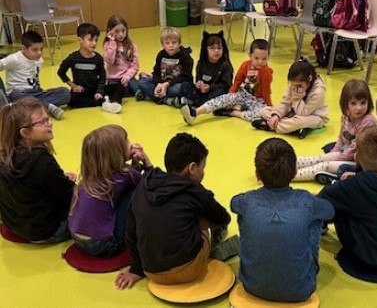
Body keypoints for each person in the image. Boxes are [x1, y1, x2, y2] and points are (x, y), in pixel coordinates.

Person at [115, 133, 235, 289]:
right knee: (203, 214)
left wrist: (137, 269)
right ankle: (212, 249)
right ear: (192, 168)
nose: (203, 172)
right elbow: (223, 218)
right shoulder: (194, 191)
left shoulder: (143, 186)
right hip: (187, 270)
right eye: (202, 168)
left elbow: (131, 232)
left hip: (150, 270)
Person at [230, 138, 334, 303]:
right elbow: (329, 211)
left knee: (244, 214)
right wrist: (311, 201)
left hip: (251, 285)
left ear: (257, 174)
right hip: (301, 290)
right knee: (315, 218)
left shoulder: (248, 200)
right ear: (294, 173)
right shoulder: (306, 200)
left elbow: (233, 203)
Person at [317, 126, 377, 271]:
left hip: (367, 258)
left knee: (338, 203)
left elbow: (323, 199)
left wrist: (342, 184)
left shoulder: (353, 186)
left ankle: (321, 227)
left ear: (356, 158)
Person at [68, 125, 152, 257]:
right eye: (126, 142)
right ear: (116, 152)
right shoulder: (126, 174)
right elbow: (149, 185)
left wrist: (134, 164)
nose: (130, 144)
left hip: (75, 236)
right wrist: (146, 161)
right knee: (133, 191)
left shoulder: (91, 175)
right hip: (103, 246)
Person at [0, 97, 75, 243]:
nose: (50, 124)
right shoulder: (41, 160)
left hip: (15, 225)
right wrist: (70, 185)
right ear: (25, 133)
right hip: (46, 231)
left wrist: (60, 179)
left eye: (48, 119)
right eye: (43, 122)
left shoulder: (5, 155)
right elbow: (68, 196)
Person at [292, 79, 377, 182]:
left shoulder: (368, 122)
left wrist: (336, 158)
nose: (359, 108)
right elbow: (341, 138)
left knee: (323, 166)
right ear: (346, 104)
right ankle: (285, 165)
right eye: (353, 103)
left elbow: (354, 149)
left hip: (360, 162)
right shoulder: (346, 117)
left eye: (363, 103)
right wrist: (334, 152)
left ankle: (287, 177)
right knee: (318, 158)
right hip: (346, 153)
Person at [181, 39, 273, 125]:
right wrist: (231, 95)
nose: (260, 62)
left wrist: (270, 106)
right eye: (256, 58)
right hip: (242, 94)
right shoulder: (245, 65)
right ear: (250, 55)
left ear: (268, 57)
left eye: (264, 59)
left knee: (263, 114)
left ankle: (233, 112)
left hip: (257, 100)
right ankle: (195, 112)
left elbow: (266, 91)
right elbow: (237, 80)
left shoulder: (266, 72)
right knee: (222, 99)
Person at [251, 58, 329, 139]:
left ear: (309, 79)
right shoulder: (294, 83)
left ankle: (269, 125)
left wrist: (297, 97)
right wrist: (276, 116)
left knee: (299, 121)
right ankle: (293, 129)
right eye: (293, 84)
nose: (296, 87)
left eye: (299, 85)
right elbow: (285, 103)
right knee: (264, 111)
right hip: (293, 113)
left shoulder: (318, 91)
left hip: (313, 116)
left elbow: (302, 114)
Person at [0, 30, 70, 119]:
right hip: (19, 93)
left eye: (41, 49)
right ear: (23, 48)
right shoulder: (14, 59)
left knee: (65, 93)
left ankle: (35, 106)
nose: (39, 53)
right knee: (17, 96)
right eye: (35, 50)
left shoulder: (40, 60)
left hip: (36, 92)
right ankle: (47, 106)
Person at [57, 23, 111, 111]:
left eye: (96, 40)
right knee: (71, 100)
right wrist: (74, 86)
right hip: (81, 92)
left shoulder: (98, 58)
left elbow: (102, 76)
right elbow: (61, 72)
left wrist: (99, 91)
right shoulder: (73, 58)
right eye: (90, 40)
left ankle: (104, 100)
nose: (94, 43)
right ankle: (100, 102)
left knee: (118, 87)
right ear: (80, 40)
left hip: (94, 90)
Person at [136, 27, 194, 107]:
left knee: (180, 88)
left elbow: (186, 77)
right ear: (162, 44)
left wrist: (167, 84)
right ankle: (167, 100)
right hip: (162, 83)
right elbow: (156, 73)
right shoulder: (160, 55)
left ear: (179, 43)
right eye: (167, 43)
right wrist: (159, 84)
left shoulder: (186, 57)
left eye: (174, 42)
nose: (171, 45)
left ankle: (151, 96)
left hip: (175, 84)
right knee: (141, 83)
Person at [186, 31, 234, 107]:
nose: (216, 51)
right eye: (212, 48)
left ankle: (196, 103)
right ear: (206, 49)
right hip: (202, 91)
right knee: (186, 85)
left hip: (216, 91)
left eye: (219, 48)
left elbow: (227, 85)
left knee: (220, 93)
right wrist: (199, 84)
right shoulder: (201, 63)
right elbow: (198, 78)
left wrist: (210, 87)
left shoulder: (225, 65)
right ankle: (200, 102)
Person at [103, 15, 140, 110]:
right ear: (109, 31)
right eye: (117, 31)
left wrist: (127, 76)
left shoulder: (132, 46)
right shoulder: (107, 45)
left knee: (135, 84)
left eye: (123, 31)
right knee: (111, 88)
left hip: (127, 78)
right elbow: (110, 61)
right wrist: (112, 43)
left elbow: (135, 66)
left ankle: (138, 92)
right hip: (113, 79)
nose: (121, 34)